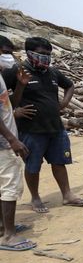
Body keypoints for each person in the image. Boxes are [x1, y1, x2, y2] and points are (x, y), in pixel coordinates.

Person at [2, 37, 83, 213]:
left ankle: (67, 195)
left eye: (48, 55)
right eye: (42, 54)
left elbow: (70, 85)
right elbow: (3, 100)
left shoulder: (53, 72)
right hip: (31, 129)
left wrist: (63, 104)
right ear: (29, 53)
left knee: (59, 161)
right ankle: (35, 198)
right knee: (33, 165)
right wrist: (14, 111)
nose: (46, 58)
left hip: (56, 128)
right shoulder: (16, 71)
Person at [0, 71, 36, 251]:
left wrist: (20, 85)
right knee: (10, 185)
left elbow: (6, 106)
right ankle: (9, 235)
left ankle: (3, 227)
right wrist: (12, 139)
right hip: (3, 143)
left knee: (2, 184)